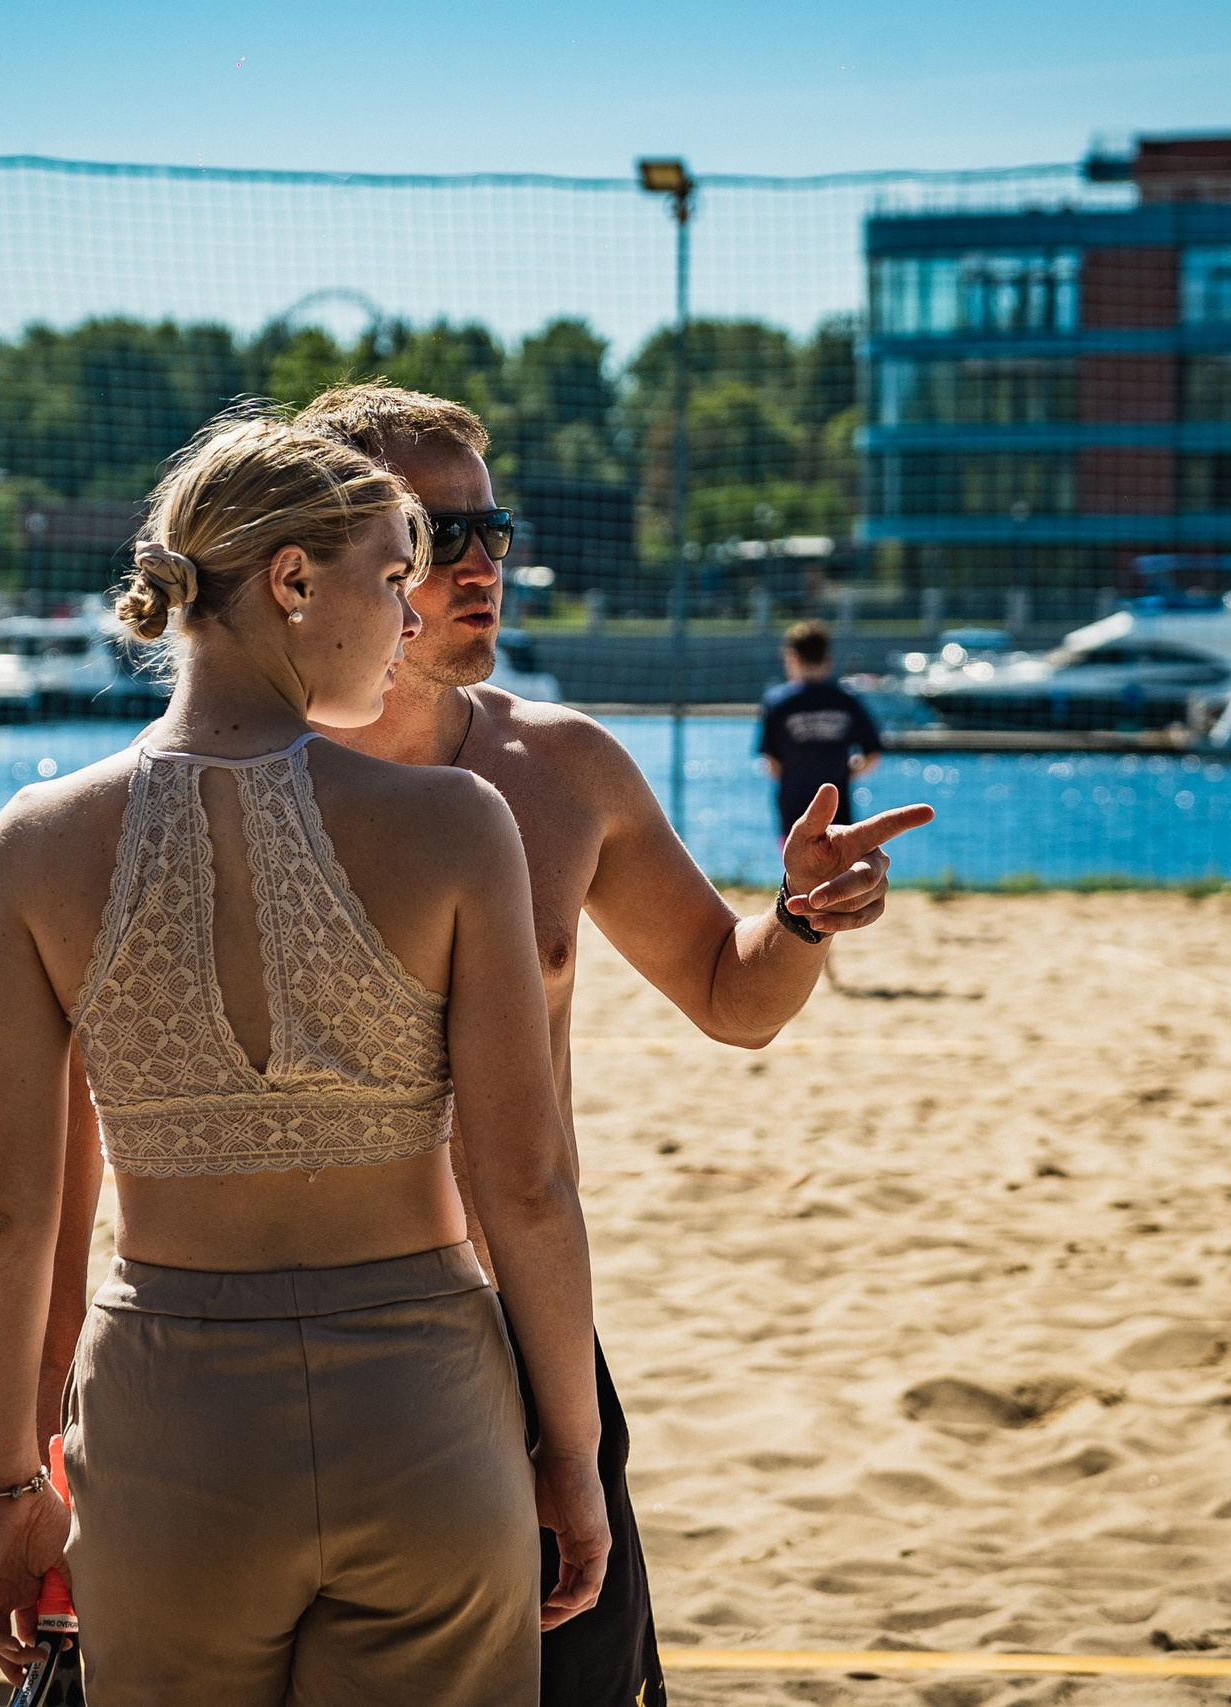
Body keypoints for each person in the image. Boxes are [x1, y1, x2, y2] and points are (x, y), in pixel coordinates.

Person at [279, 382, 933, 1706]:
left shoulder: (560, 766)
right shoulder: (223, 774)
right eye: (440, 533)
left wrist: (799, 914)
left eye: (495, 530)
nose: (484, 565)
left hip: (516, 1328)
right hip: (278, 1325)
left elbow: (726, 993)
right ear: (339, 552)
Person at [0, 412, 608, 1707]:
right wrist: (574, 1457)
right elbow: (527, 1182)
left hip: (168, 1420)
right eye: (392, 576)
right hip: (424, 1408)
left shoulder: (36, 842)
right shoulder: (453, 823)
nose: (407, 620)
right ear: (293, 581)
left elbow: (13, 1214)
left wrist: (6, 1484)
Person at [757, 620, 886, 840]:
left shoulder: (777, 702)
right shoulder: (847, 700)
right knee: (837, 872)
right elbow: (872, 755)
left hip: (794, 811)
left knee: (796, 871)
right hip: (837, 812)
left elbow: (770, 764)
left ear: (792, 658)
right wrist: (846, 772)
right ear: (828, 659)